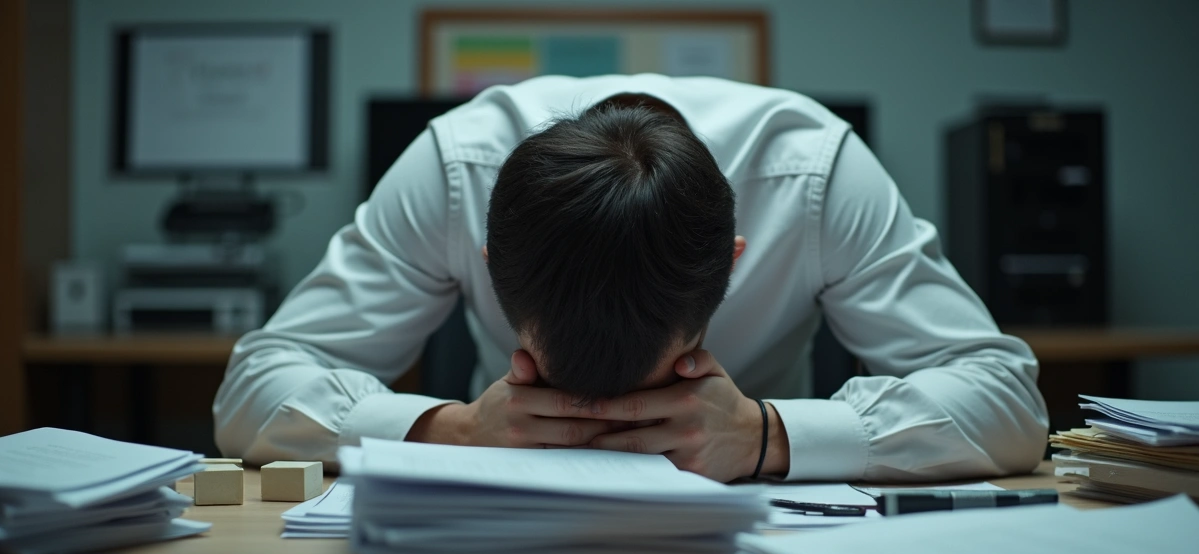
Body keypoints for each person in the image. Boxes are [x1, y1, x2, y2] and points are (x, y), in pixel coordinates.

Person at [214, 74, 1048, 482]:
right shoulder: (453, 169)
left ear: (731, 262)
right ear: (490, 260)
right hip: (504, 505)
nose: (609, 425)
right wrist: (452, 432)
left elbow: (1008, 400)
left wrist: (767, 436)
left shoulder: (815, 173)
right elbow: (254, 384)